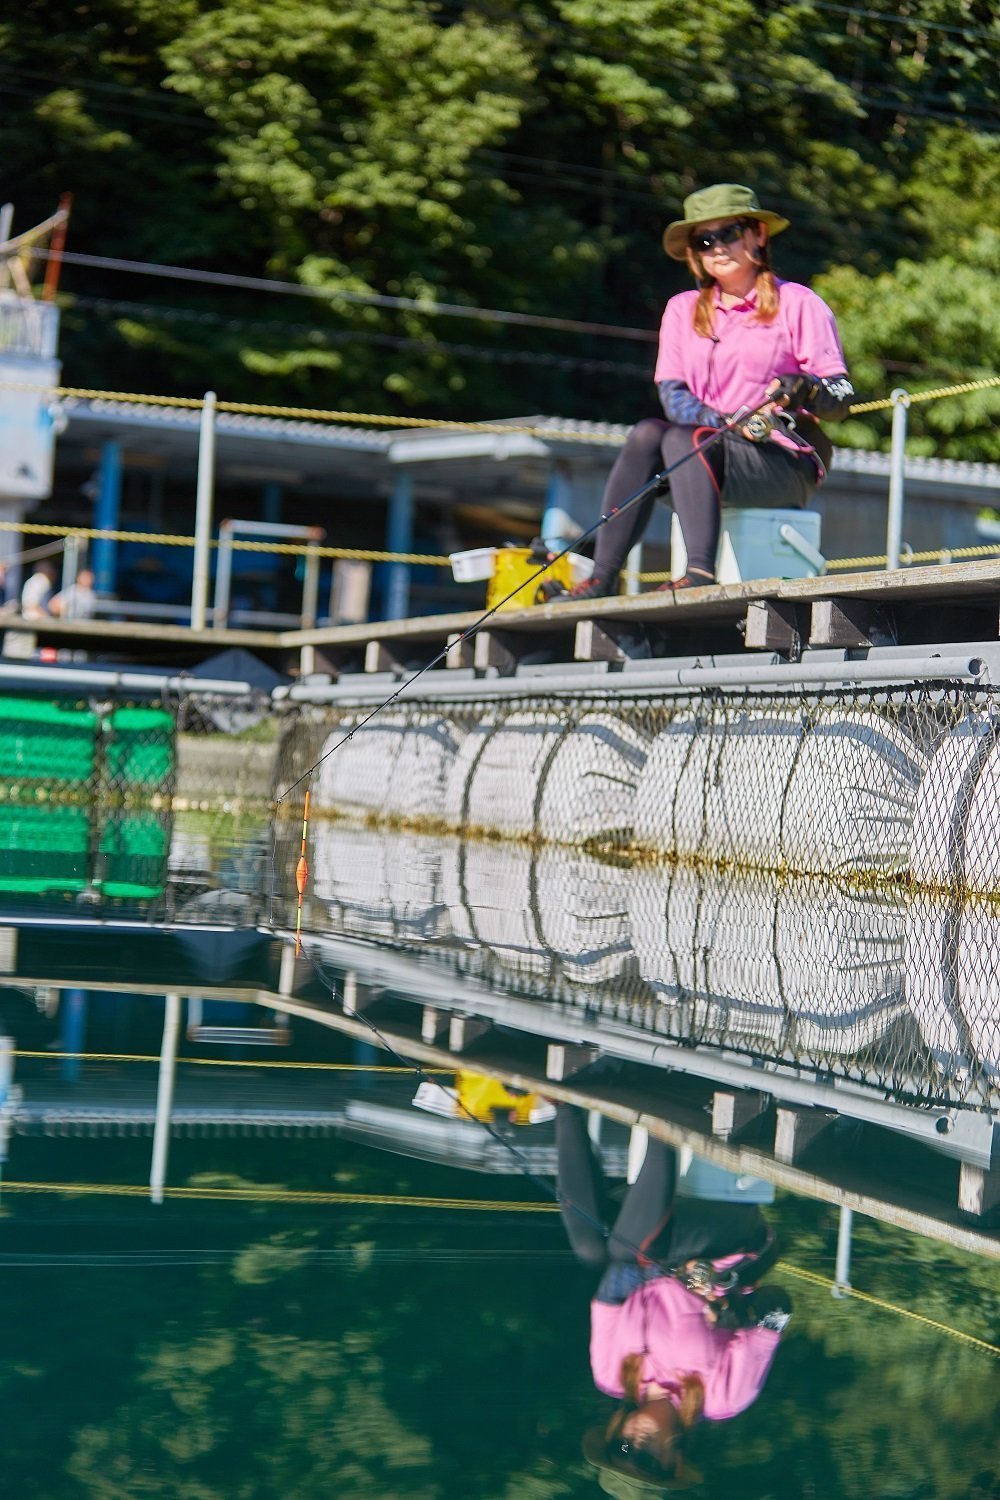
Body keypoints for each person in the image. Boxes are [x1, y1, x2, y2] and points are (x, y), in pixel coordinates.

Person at [544, 184, 853, 601]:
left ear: (758, 235)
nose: (717, 247)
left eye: (729, 233)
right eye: (704, 241)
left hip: (781, 462)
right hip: (702, 457)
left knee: (680, 438)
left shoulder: (798, 302)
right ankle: (602, 577)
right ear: (694, 253)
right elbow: (674, 397)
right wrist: (728, 423)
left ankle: (699, 571)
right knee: (649, 433)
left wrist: (806, 389)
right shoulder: (681, 309)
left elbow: (840, 397)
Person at [556, 1106, 790, 1495]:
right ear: (674, 1462)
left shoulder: (609, 1373)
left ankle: (565, 1109)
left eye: (623, 1449)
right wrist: (730, 1308)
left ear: (615, 1434)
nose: (636, 1446)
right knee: (625, 1250)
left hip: (650, 1242)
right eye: (647, 1461)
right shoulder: (724, 1398)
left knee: (593, 1251)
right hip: (726, 1240)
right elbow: (778, 1310)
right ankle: (661, 1118)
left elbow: (611, 1289)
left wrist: (672, 1274)